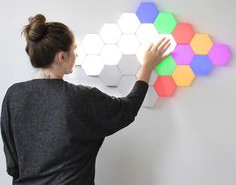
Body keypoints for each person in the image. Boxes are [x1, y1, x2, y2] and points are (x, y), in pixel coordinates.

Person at [1, 14, 171, 185]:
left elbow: (13, 165)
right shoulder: (79, 97)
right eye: (74, 50)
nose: (76, 55)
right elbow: (128, 110)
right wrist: (147, 67)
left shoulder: (13, 95)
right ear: (61, 57)